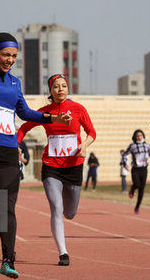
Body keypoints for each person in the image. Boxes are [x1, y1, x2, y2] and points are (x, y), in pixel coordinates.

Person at [0, 0, 71, 279]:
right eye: (5, 55)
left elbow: (25, 113)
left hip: (7, 154)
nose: (10, 59)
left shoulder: (14, 83)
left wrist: (52, 116)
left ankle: (8, 260)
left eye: (13, 56)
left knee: (7, 210)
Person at [17, 74, 96, 266]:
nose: (61, 89)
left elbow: (92, 132)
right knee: (56, 208)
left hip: (74, 166)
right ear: (50, 91)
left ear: (68, 89)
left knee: (70, 213)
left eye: (64, 86)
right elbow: (23, 128)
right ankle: (63, 253)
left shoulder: (78, 109)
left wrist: (84, 145)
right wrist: (16, 146)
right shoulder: (46, 112)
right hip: (51, 166)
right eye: (56, 87)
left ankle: (66, 227)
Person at [123, 129, 150, 214]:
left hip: (144, 169)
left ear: (143, 136)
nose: (139, 137)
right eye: (137, 136)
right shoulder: (132, 146)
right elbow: (125, 154)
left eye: (140, 135)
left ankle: (137, 207)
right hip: (135, 169)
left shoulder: (147, 146)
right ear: (135, 137)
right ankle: (132, 189)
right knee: (137, 184)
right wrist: (125, 164)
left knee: (142, 189)